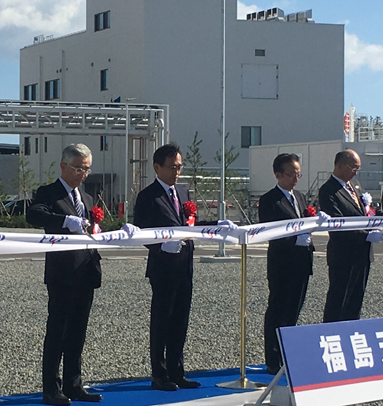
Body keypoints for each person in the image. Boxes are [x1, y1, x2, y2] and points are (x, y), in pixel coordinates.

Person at [27, 143, 138, 405]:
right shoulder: (49, 193)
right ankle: (51, 388)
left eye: (87, 169)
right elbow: (34, 215)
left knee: (78, 332)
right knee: (57, 331)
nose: (83, 174)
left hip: (86, 271)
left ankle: (73, 383)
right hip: (62, 273)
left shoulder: (87, 198)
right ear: (63, 166)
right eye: (78, 168)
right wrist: (65, 221)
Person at [133, 143, 236, 391]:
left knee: (180, 320)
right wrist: (160, 247)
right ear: (157, 167)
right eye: (172, 167)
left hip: (184, 266)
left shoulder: (183, 192)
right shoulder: (148, 196)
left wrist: (214, 224)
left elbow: (190, 224)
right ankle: (159, 373)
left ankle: (177, 371)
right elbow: (141, 232)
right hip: (163, 267)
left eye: (179, 167)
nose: (176, 172)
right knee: (162, 321)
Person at [259, 153, 326, 374]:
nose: (295, 178)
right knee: (278, 309)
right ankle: (273, 358)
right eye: (291, 174)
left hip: (301, 261)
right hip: (282, 263)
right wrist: (293, 239)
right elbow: (269, 230)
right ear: (278, 174)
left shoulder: (299, 196)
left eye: (298, 173)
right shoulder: (269, 200)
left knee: (294, 309)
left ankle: (287, 354)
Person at [318, 149, 383, 322]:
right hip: (343, 255)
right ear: (339, 166)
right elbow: (337, 224)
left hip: (361, 255)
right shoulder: (329, 190)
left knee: (355, 301)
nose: (356, 172)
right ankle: (332, 334)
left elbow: (364, 214)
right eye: (353, 168)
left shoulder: (353, 186)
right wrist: (365, 236)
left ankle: (352, 334)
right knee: (339, 300)